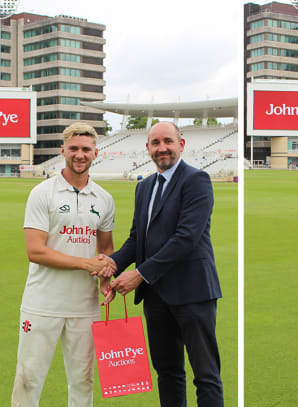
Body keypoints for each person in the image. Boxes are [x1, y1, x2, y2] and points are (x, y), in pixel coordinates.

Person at [106, 122, 224, 406]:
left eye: (168, 141)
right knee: (167, 372)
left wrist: (140, 275)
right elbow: (138, 239)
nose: (162, 148)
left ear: (181, 144)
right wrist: (111, 264)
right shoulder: (144, 186)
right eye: (155, 142)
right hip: (157, 297)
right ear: (147, 148)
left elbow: (186, 238)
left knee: (205, 375)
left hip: (192, 293)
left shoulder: (197, 180)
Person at [12, 122, 116, 406]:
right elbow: (36, 251)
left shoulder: (104, 199)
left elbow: (106, 250)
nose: (79, 154)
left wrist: (106, 277)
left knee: (83, 382)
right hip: (42, 302)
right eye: (73, 148)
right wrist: (87, 265)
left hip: (85, 306)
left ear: (96, 153)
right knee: (28, 379)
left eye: (85, 149)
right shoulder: (42, 193)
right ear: (63, 151)